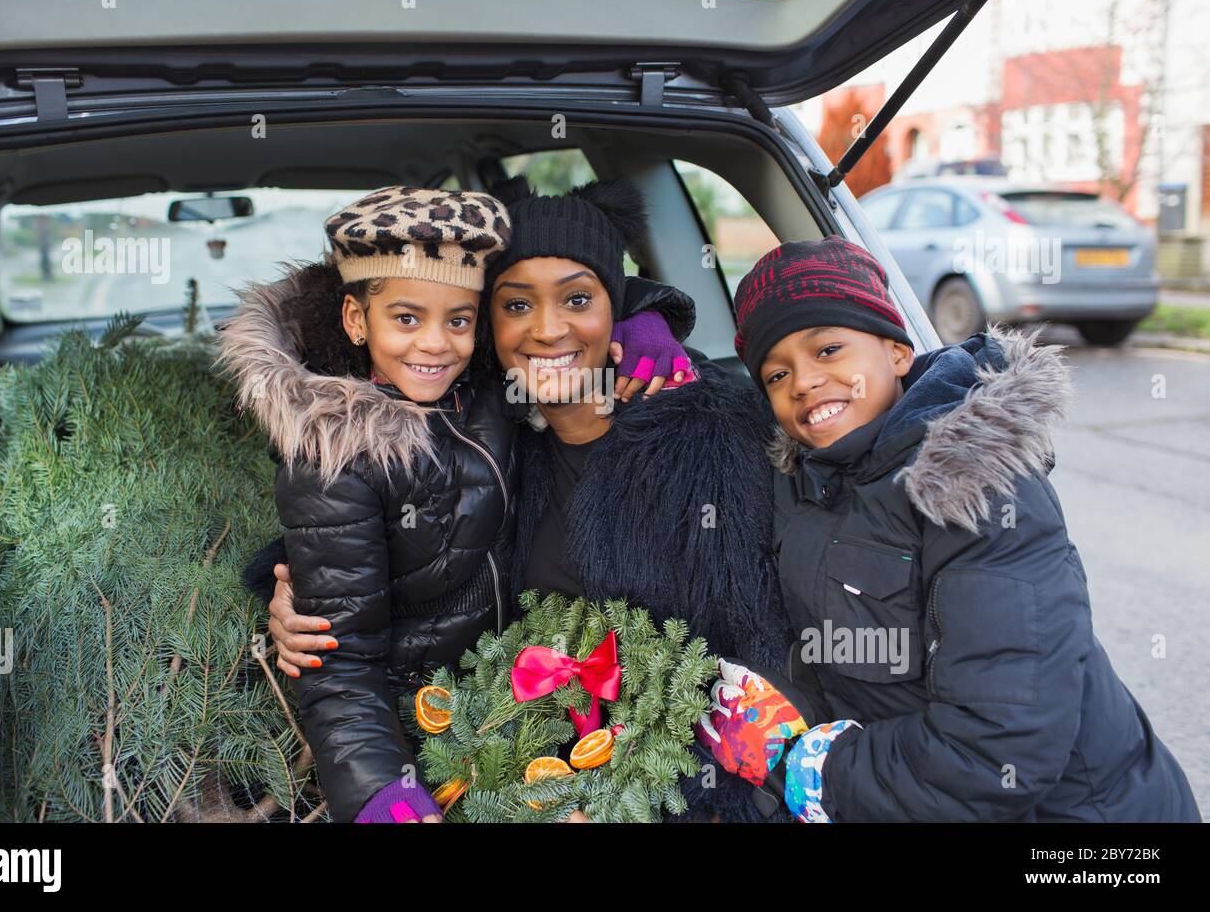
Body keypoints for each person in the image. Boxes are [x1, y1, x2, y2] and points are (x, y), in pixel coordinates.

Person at [256, 177, 794, 822]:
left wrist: (651, 317)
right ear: (491, 330)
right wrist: (299, 598)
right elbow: (381, 547)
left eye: (579, 299)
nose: (546, 329)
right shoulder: (502, 431)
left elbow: (753, 663)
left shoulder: (702, 442)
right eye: (514, 306)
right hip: (488, 758)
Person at [696, 235, 1202, 822]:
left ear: (896, 352)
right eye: (776, 374)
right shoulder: (806, 481)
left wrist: (815, 770)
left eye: (828, 349)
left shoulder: (977, 489)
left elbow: (996, 750)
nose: (803, 382)